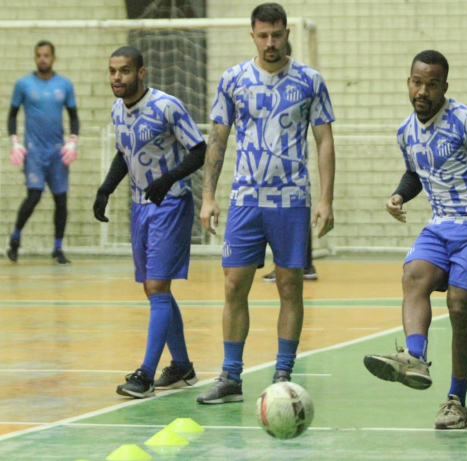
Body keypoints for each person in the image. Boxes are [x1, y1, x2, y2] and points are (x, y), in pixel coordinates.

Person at [363, 50, 467, 429]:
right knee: (413, 274)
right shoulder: (405, 131)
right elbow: (416, 173)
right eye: (417, 82)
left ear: (444, 87)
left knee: (460, 305)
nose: (423, 91)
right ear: (409, 82)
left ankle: (456, 401)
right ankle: (415, 358)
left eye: (432, 84)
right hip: (439, 225)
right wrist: (399, 194)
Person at [196, 2, 335, 405]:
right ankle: (230, 376)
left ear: (287, 33)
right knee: (234, 284)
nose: (270, 42)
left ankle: (283, 373)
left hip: (292, 200)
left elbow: (324, 140)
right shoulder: (233, 79)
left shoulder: (310, 81)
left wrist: (325, 199)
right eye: (263, 35)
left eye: (277, 34)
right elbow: (218, 138)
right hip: (245, 199)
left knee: (290, 285)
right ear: (252, 34)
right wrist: (207, 196)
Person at [93, 46, 207, 398]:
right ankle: (183, 366)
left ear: (141, 73)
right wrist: (105, 189)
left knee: (157, 288)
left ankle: (144, 374)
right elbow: (124, 153)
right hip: (141, 207)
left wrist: (168, 179)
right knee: (153, 289)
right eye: (113, 71)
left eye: (124, 71)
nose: (117, 78)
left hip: (170, 204)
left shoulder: (166, 106)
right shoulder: (117, 110)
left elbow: (198, 150)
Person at [6, 40, 79, 265]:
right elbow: (12, 115)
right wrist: (15, 142)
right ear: (35, 57)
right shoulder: (23, 84)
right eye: (39, 55)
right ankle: (15, 239)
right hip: (34, 152)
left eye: (46, 55)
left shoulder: (64, 85)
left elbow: (74, 117)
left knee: (61, 201)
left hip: (57, 153)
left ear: (53, 58)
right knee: (34, 196)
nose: (42, 59)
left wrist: (72, 141)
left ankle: (58, 249)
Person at [260, 40, 317, 283]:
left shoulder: (303, 82)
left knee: (295, 217)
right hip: (264, 175)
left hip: (290, 172)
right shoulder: (260, 83)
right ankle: (300, 264)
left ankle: (303, 264)